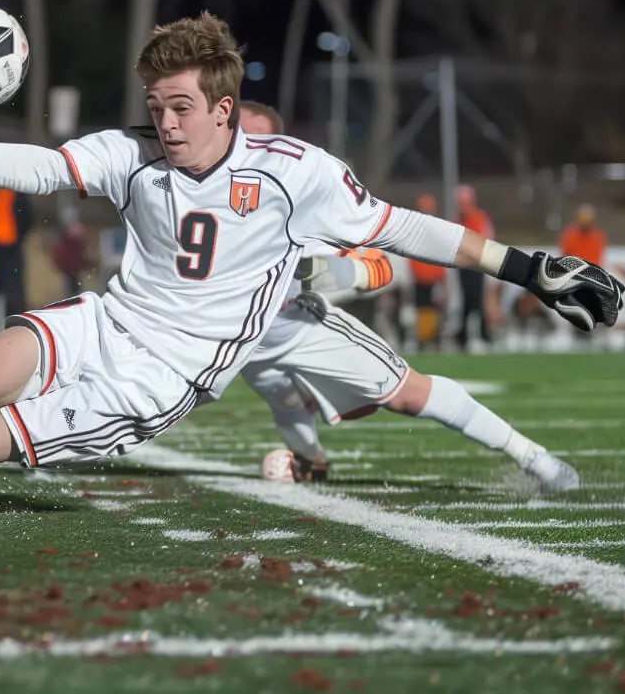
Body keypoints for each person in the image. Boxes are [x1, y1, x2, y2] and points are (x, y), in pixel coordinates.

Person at [0, 12, 623, 527]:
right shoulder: (135, 150)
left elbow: (407, 226)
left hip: (152, 382)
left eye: (177, 108)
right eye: (153, 105)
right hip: (104, 320)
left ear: (225, 107)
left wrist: (526, 266)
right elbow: (45, 167)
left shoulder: (297, 176)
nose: (160, 122)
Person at [234, 103, 576, 490]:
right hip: (238, 339)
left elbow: (379, 265)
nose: (248, 149)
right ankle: (312, 462)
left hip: (298, 327)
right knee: (286, 403)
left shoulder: (300, 201)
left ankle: (531, 455)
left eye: (260, 141)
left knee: (408, 395)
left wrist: (327, 272)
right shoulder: (194, 195)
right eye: (240, 138)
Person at [453, 184, 498, 350]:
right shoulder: (459, 219)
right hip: (464, 265)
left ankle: (481, 333)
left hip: (476, 265)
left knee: (476, 299)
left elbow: (486, 240)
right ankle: (467, 334)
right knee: (467, 300)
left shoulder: (479, 218)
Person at [0, 185, 32, 331]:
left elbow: (27, 218)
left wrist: (17, 237)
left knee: (13, 297)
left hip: (10, 251)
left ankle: (14, 333)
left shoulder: (16, 193)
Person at [407, 193, 448, 350]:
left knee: (432, 307)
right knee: (422, 307)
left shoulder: (436, 229)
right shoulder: (415, 229)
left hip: (433, 276)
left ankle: (431, 336)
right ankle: (424, 337)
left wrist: (443, 279)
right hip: (420, 277)